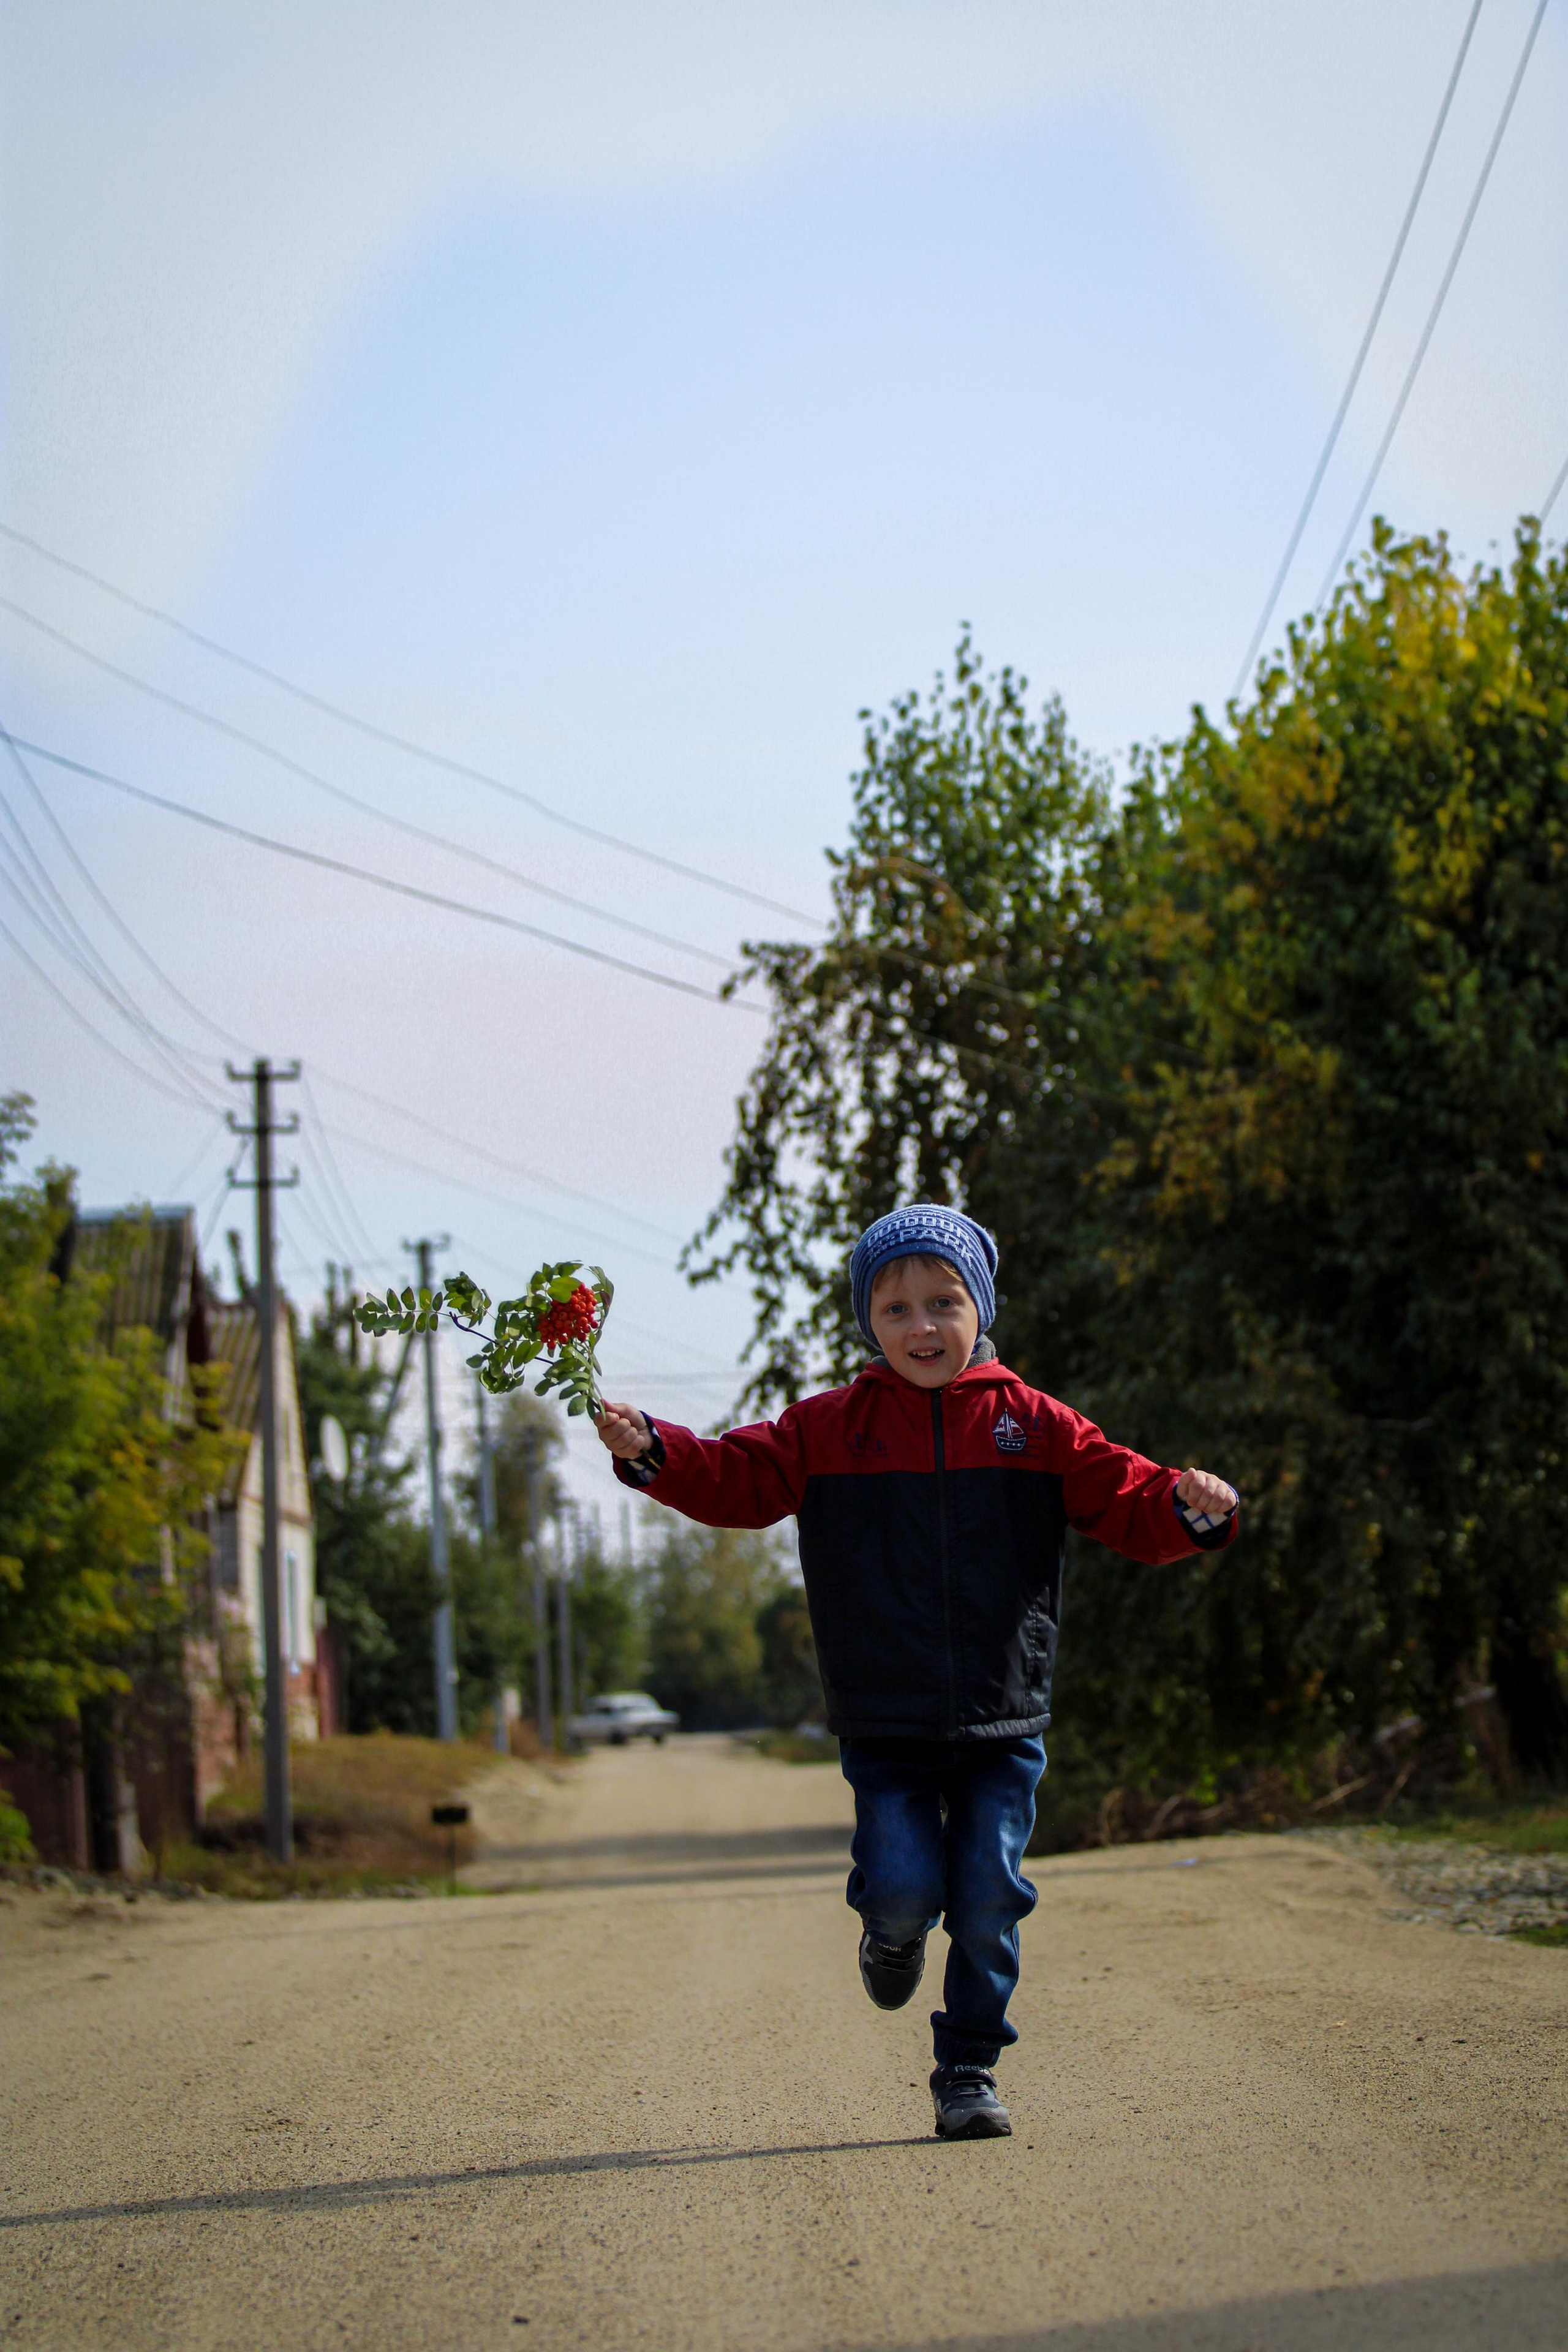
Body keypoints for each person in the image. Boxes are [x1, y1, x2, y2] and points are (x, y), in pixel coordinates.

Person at [595, 1203, 1237, 2141]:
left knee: (987, 1897)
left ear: (980, 1309)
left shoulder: (1036, 1425)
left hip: (1001, 1711)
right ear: (868, 1322)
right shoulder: (829, 1429)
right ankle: (890, 1932)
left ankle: (968, 2066)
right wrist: (652, 1447)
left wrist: (1193, 1512)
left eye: (944, 1302)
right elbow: (734, 1477)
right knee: (901, 1882)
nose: (922, 1327)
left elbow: (1127, 1497)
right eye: (895, 1309)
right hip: (884, 1712)